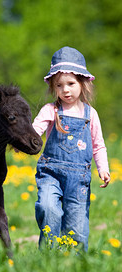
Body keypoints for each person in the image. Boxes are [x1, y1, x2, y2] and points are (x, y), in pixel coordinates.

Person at [32, 46, 110, 251]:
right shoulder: (50, 110)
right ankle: (48, 258)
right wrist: (26, 137)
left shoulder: (90, 114)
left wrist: (103, 168)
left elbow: (98, 144)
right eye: (59, 85)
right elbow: (34, 131)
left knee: (77, 227)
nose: (65, 90)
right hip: (51, 174)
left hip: (79, 181)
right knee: (47, 207)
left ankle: (74, 266)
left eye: (71, 83)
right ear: (53, 87)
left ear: (83, 83)